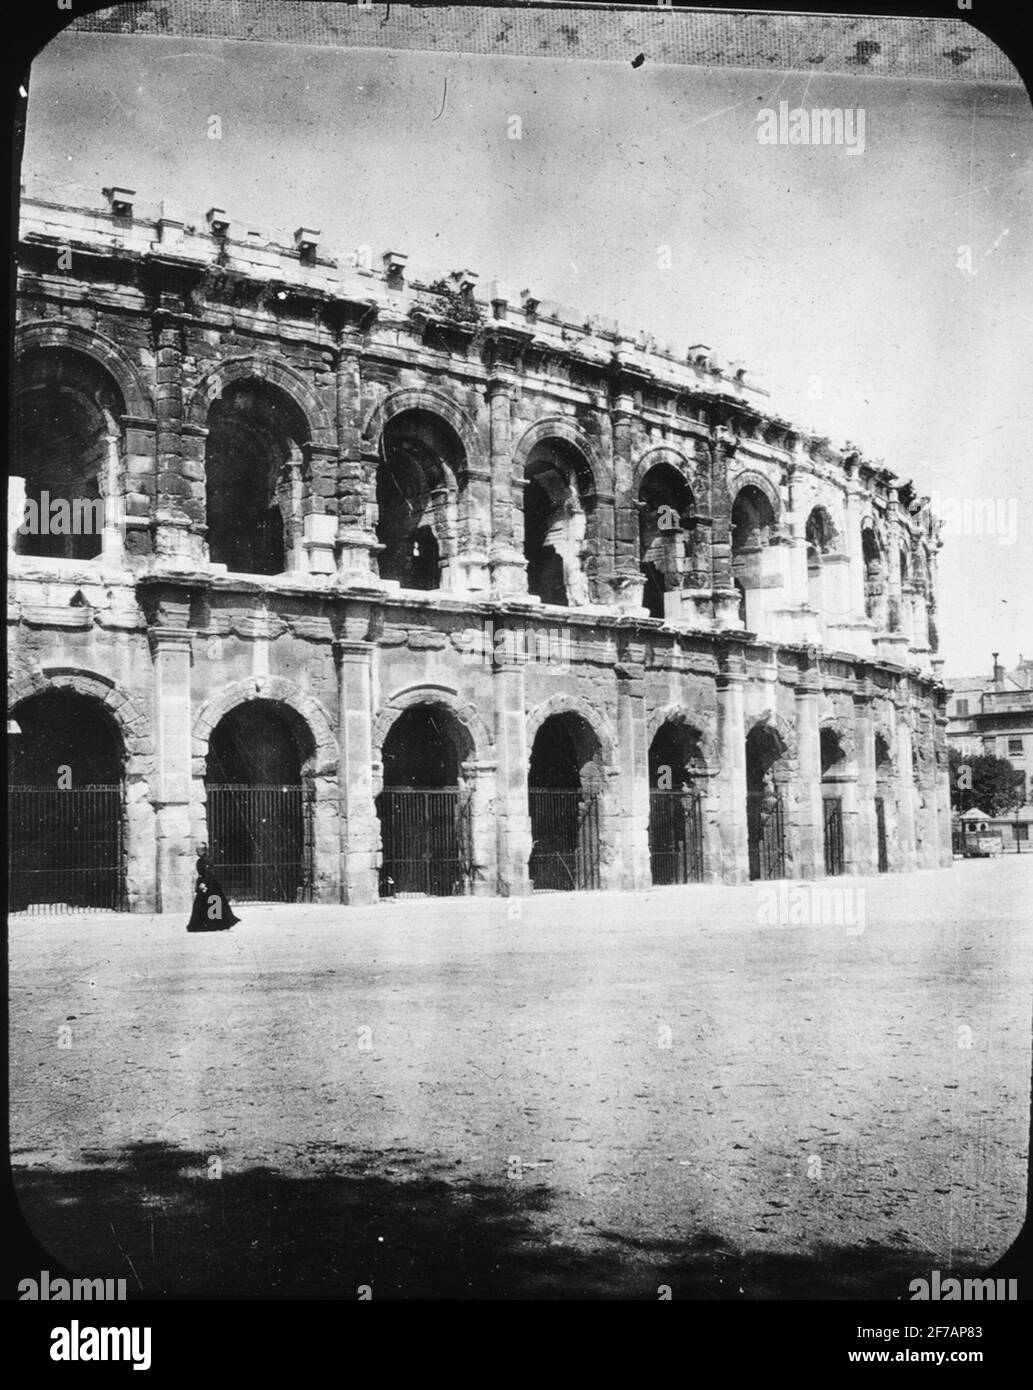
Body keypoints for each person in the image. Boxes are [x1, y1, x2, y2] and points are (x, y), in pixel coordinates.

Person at [186, 845, 239, 932]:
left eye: (198, 850)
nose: (196, 852)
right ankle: (203, 923)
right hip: (205, 884)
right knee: (201, 904)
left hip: (210, 885)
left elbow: (208, 873)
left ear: (203, 851)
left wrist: (204, 883)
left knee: (213, 903)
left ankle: (216, 924)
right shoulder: (200, 861)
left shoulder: (208, 860)